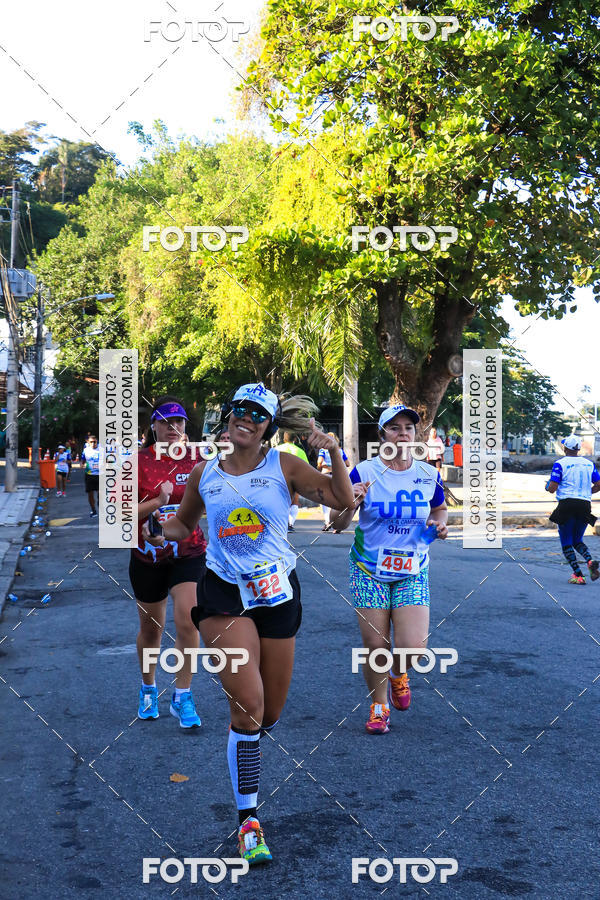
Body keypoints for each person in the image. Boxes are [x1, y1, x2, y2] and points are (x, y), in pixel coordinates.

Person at [160, 382, 354, 865]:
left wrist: (333, 453)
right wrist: (156, 528)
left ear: (269, 426)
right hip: (223, 594)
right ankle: (248, 821)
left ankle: (244, 745)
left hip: (278, 593)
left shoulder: (284, 466)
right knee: (248, 707)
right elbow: (183, 524)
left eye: (259, 414)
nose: (247, 418)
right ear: (229, 415)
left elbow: (340, 500)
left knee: (269, 715)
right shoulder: (204, 473)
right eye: (241, 410)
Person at [330, 404, 448, 735]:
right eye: (394, 428)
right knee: (376, 645)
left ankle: (397, 673)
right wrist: (350, 503)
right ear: (382, 435)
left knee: (413, 647)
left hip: (413, 568)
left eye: (408, 428)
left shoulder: (428, 474)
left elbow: (439, 509)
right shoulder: (363, 471)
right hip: (368, 569)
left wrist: (439, 524)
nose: (402, 433)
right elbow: (336, 523)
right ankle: (379, 706)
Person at [134, 397, 207, 727]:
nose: (173, 427)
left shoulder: (199, 459)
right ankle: (148, 688)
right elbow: (119, 514)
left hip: (188, 553)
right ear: (153, 426)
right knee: (152, 630)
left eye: (178, 421)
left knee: (189, 621)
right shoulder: (138, 461)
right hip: (147, 556)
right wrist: (158, 502)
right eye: (165, 422)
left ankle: (182, 695)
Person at [546, 434, 600, 584]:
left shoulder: (560, 464)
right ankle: (590, 561)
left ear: (565, 448)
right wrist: (586, 492)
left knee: (566, 542)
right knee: (577, 540)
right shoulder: (589, 464)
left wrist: (547, 485)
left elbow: (552, 488)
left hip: (566, 505)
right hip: (584, 505)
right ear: (578, 449)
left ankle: (578, 575)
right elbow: (598, 484)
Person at [317, 432, 350, 530]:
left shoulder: (323, 450)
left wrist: (322, 466)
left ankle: (327, 521)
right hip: (337, 476)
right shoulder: (340, 451)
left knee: (324, 499)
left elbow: (319, 462)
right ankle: (336, 523)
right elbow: (347, 464)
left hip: (326, 474)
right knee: (337, 498)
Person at [276, 431, 309, 531]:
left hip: (279, 478)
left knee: (281, 501)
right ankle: (290, 524)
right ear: (295, 439)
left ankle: (282, 523)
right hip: (295, 480)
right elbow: (306, 467)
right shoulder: (300, 451)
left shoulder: (276, 449)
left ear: (284, 439)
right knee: (294, 502)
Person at [80, 435, 102, 517]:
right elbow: (83, 460)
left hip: (100, 475)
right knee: (90, 494)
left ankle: (100, 504)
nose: (93, 444)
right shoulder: (86, 450)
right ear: (88, 442)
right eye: (91, 442)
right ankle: (93, 510)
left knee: (101, 494)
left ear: (97, 442)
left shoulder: (102, 450)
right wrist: (81, 464)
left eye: (94, 442)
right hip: (89, 475)